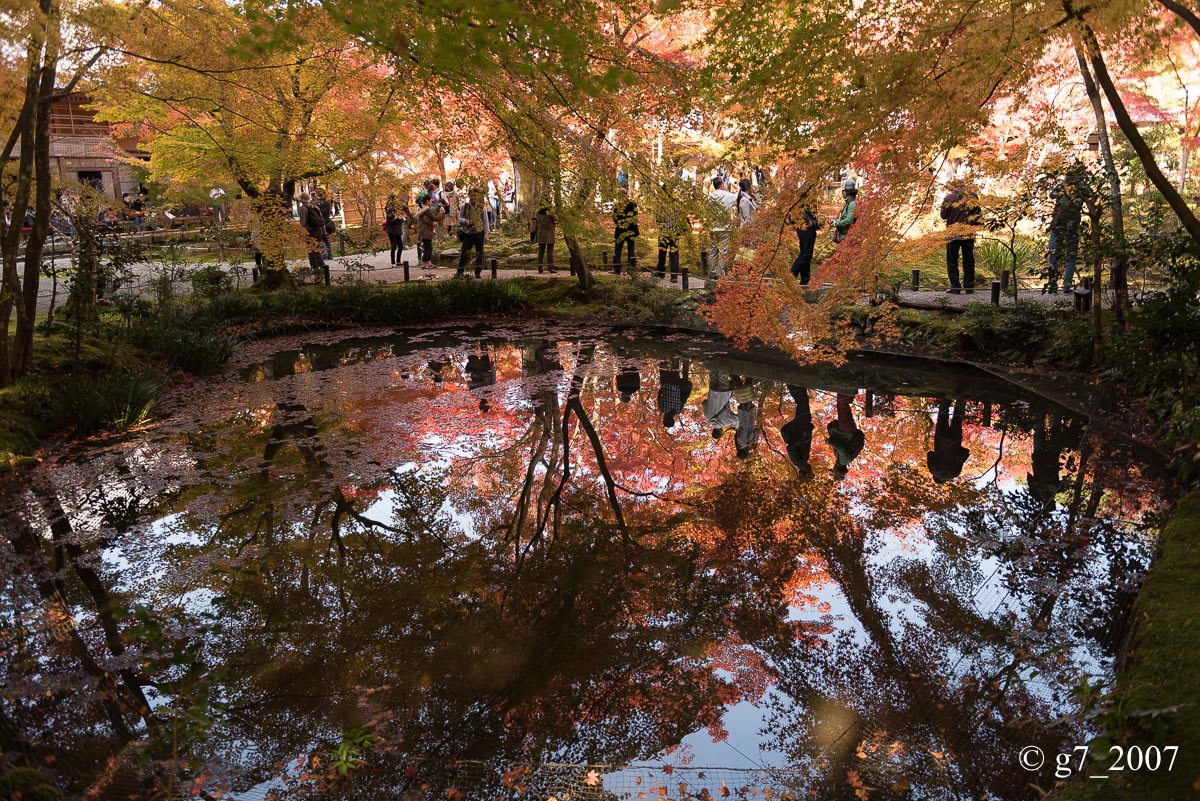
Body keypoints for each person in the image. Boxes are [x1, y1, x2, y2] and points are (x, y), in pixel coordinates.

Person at [1046, 168, 1088, 294]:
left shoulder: (1062, 186)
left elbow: (1051, 194)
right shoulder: (1082, 187)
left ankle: (1054, 286)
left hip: (1060, 224)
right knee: (1069, 256)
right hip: (1071, 225)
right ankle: (1065, 286)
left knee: (1054, 254)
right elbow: (1092, 197)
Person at [940, 180, 982, 294]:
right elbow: (978, 215)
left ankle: (955, 287)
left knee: (952, 260)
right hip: (968, 233)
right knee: (968, 260)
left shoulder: (949, 198)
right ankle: (969, 287)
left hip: (952, 234)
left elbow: (943, 215)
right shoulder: (973, 197)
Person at [926, 399, 970, 483]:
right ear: (934, 477)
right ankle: (946, 398)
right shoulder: (933, 470)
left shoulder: (954, 473)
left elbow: (960, 458)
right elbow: (930, 454)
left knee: (957, 418)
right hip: (941, 439)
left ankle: (961, 399)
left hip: (955, 440)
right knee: (943, 416)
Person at [826, 392, 865, 479]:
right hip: (846, 431)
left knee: (843, 406)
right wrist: (830, 442)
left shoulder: (841, 461)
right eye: (834, 471)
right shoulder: (844, 461)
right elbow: (841, 448)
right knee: (842, 403)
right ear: (838, 471)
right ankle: (849, 387)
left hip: (846, 431)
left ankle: (850, 391)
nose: (833, 469)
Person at [780, 385, 815, 479]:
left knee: (802, 403)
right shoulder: (803, 461)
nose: (812, 473)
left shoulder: (800, 463)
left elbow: (790, 449)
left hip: (799, 429)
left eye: (810, 475)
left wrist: (801, 438)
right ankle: (799, 383)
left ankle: (791, 381)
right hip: (803, 428)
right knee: (803, 402)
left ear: (804, 473)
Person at [707, 176, 738, 277]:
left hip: (713, 227)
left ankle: (712, 272)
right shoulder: (727, 195)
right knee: (722, 251)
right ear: (721, 184)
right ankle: (720, 274)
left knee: (713, 251)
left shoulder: (710, 196)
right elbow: (738, 197)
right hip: (724, 227)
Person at [456, 186, 490, 278]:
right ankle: (460, 272)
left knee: (479, 253)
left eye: (475, 195)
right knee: (464, 253)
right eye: (471, 195)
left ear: (477, 196)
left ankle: (477, 273)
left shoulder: (482, 208)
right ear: (469, 196)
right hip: (468, 233)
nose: (473, 197)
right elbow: (459, 218)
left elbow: (485, 222)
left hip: (479, 232)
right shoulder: (464, 206)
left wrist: (486, 235)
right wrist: (465, 221)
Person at [297, 192, 330, 285]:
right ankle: (323, 268)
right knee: (317, 250)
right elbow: (322, 221)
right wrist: (324, 232)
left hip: (310, 233)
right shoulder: (315, 207)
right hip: (318, 232)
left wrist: (303, 233)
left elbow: (303, 223)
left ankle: (317, 274)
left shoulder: (303, 208)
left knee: (312, 253)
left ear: (302, 200)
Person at [788, 194, 821, 287]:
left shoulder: (808, 195)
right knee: (805, 255)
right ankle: (791, 276)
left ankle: (805, 280)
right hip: (805, 229)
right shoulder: (802, 196)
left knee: (807, 255)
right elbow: (798, 211)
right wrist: (808, 221)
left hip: (808, 228)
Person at [655, 183, 683, 281]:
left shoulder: (661, 204)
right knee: (674, 254)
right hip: (675, 232)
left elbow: (658, 219)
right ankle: (674, 276)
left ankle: (660, 273)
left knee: (662, 253)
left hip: (664, 232)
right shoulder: (677, 203)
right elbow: (680, 218)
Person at [657, 360, 693, 430]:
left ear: (673, 419)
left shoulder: (678, 410)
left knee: (675, 369)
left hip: (676, 385)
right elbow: (659, 397)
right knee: (663, 368)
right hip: (665, 384)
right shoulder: (662, 409)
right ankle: (662, 356)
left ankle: (675, 357)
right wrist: (662, 390)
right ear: (664, 418)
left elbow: (682, 398)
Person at [702, 371, 737, 439]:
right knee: (713, 374)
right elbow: (704, 403)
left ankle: (722, 361)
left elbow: (737, 419)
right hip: (712, 392)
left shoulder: (726, 422)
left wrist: (737, 427)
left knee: (723, 374)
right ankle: (712, 361)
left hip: (723, 394)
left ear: (721, 432)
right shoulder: (707, 418)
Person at [731, 376, 759, 459]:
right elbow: (756, 430)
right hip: (746, 415)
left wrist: (753, 439)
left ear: (745, 452)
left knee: (745, 395)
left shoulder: (742, 442)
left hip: (746, 415)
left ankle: (744, 377)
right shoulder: (742, 443)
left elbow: (745, 429)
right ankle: (739, 377)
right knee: (744, 394)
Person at [414, 192, 443, 269]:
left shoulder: (423, 209)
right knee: (428, 247)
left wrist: (432, 223)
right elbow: (435, 218)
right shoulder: (427, 210)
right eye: (430, 200)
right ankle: (424, 263)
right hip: (425, 231)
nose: (431, 202)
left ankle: (429, 263)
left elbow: (426, 220)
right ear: (427, 201)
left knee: (429, 247)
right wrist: (441, 213)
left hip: (425, 230)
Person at [613, 189, 639, 272]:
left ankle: (617, 269)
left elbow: (615, 218)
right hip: (631, 229)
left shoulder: (617, 205)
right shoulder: (633, 203)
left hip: (620, 230)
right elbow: (635, 215)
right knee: (631, 249)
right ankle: (631, 269)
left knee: (618, 250)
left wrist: (620, 223)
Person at [384, 193, 411, 266]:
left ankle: (398, 261)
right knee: (393, 246)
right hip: (392, 230)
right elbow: (389, 221)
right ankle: (393, 262)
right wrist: (396, 218)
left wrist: (401, 218)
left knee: (400, 246)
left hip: (397, 229)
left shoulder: (396, 208)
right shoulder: (389, 209)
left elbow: (399, 218)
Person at [830, 179, 857, 244]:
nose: (842, 193)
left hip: (847, 238)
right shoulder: (849, 202)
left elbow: (849, 220)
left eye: (843, 191)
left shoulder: (852, 204)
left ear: (847, 192)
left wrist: (836, 223)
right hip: (844, 237)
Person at [534, 205, 558, 273]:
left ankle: (540, 268)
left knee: (541, 252)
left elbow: (537, 221)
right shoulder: (550, 213)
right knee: (550, 252)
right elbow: (556, 219)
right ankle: (551, 268)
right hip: (550, 234)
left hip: (541, 234)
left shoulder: (538, 213)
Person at [316, 188, 336, 259]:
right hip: (327, 223)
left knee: (320, 240)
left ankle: (322, 256)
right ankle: (330, 256)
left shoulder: (316, 203)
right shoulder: (327, 203)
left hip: (319, 224)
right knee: (327, 241)